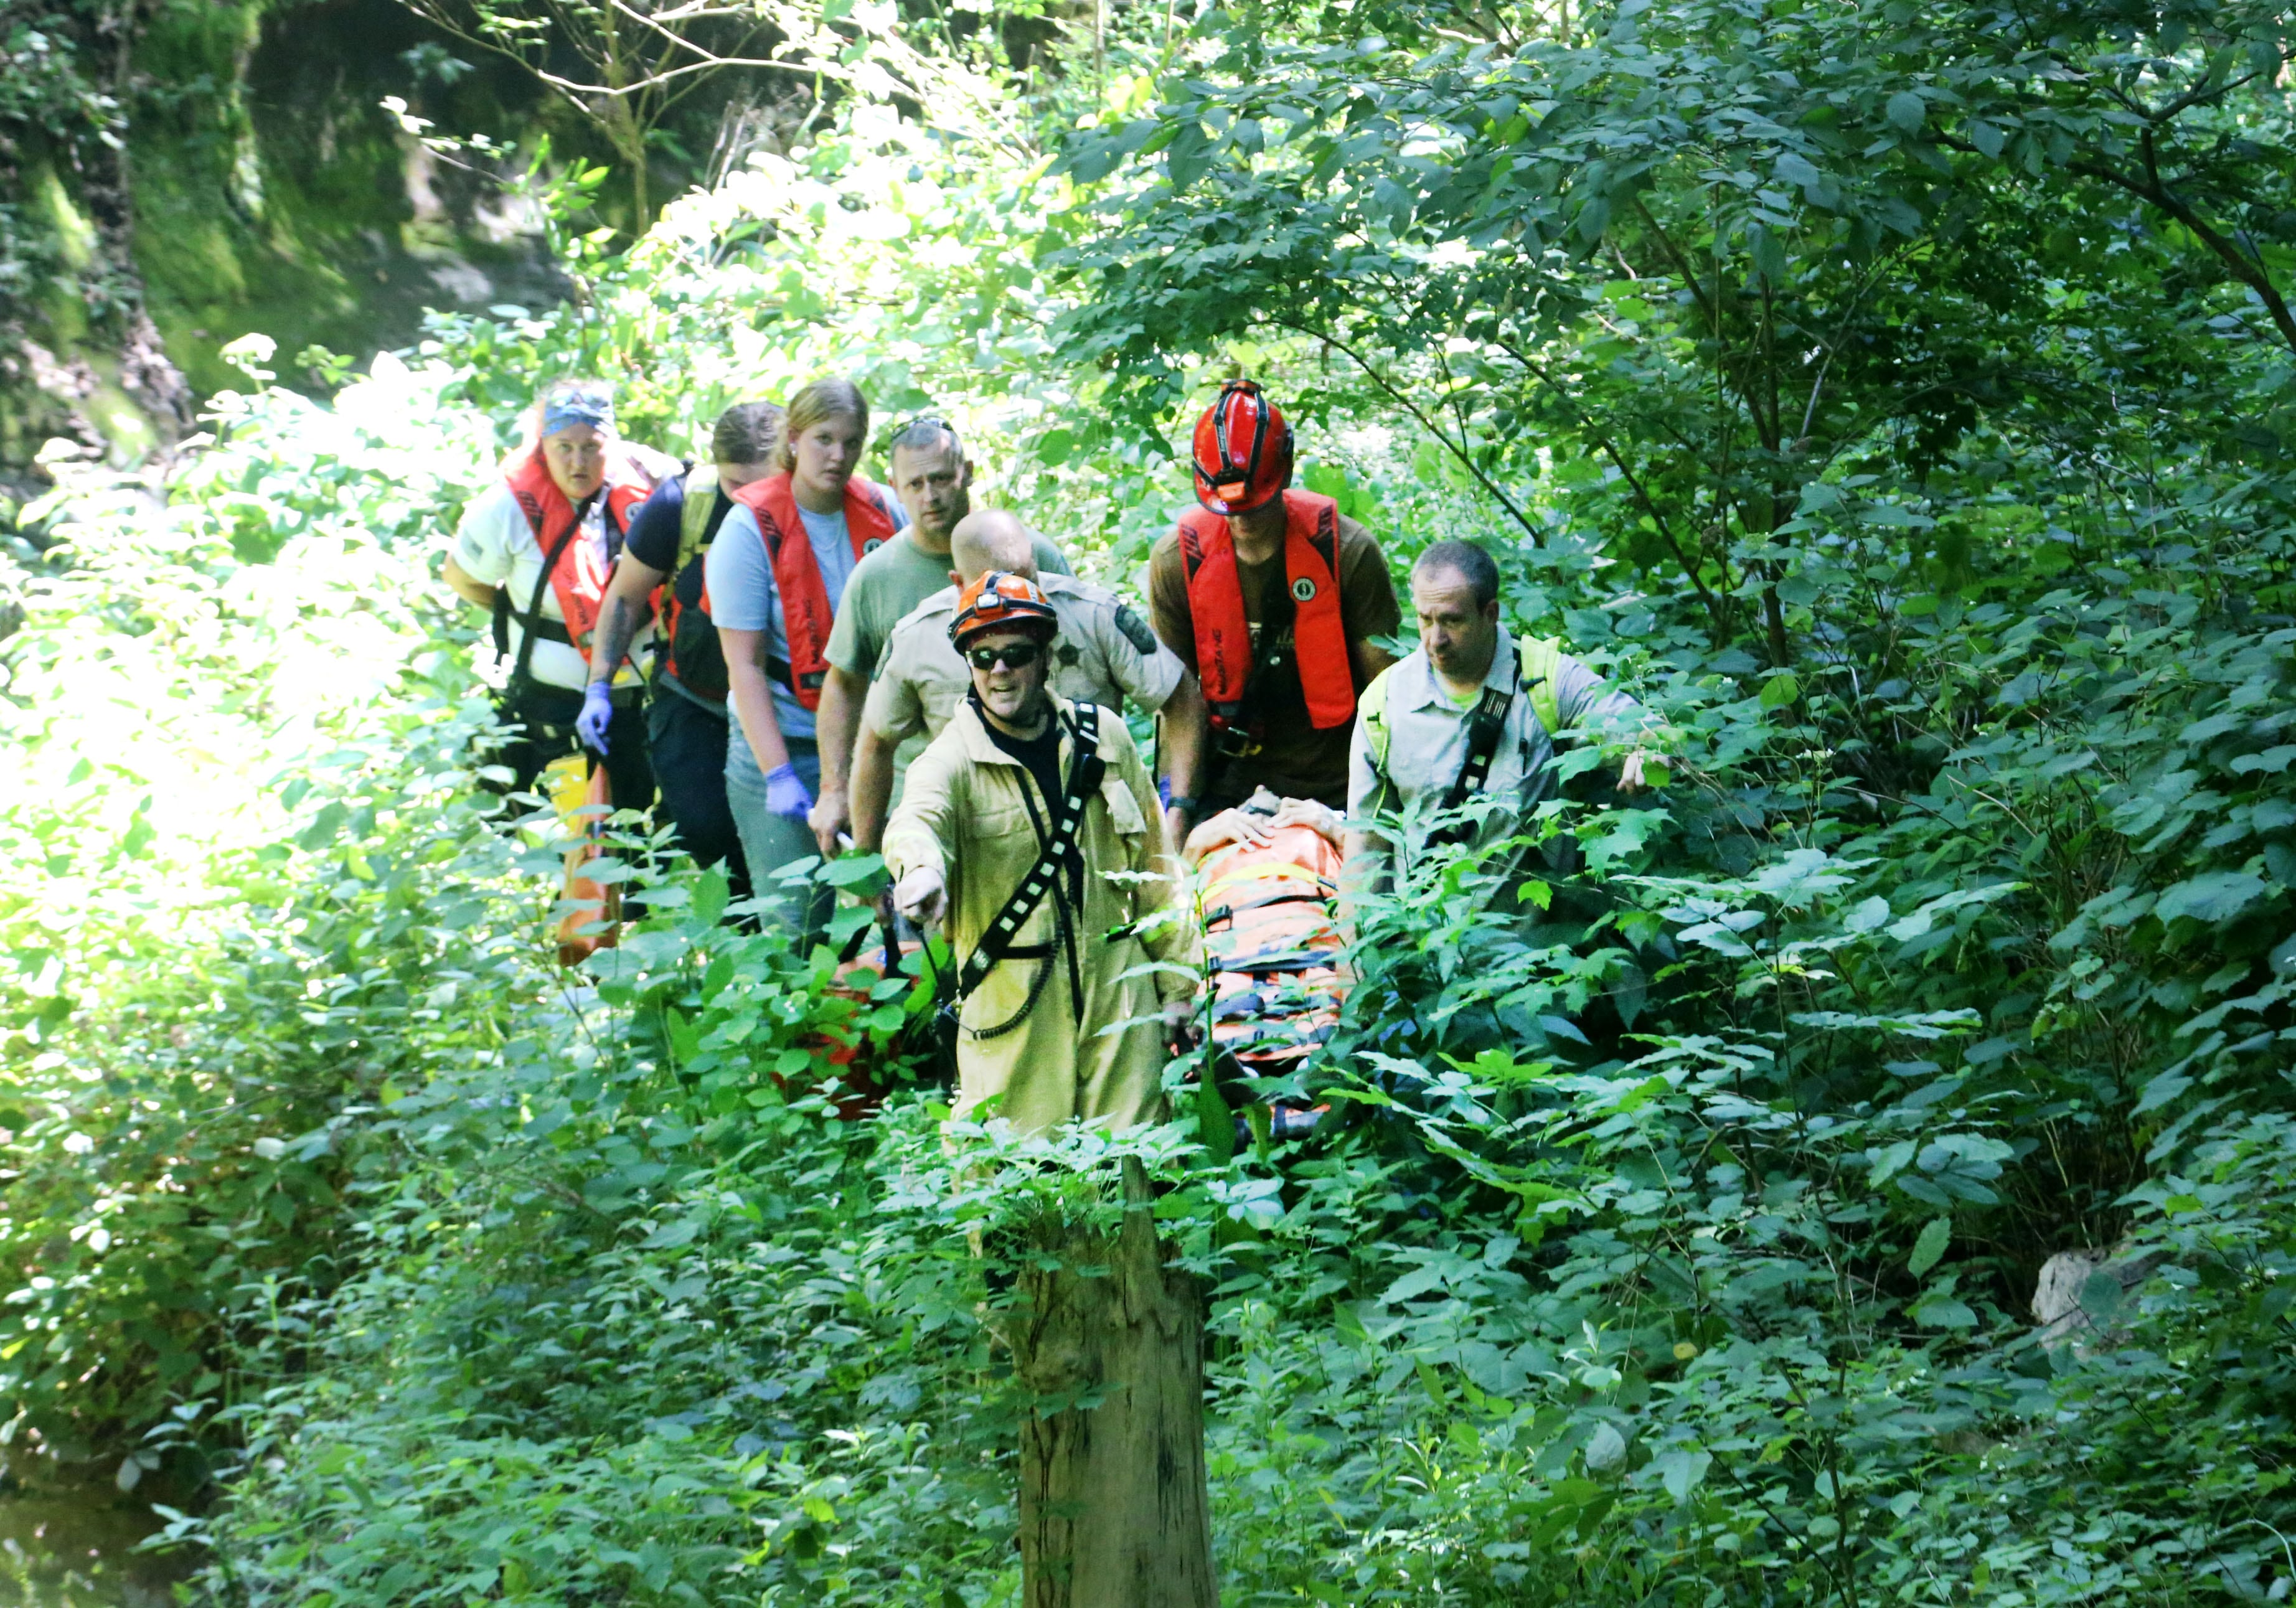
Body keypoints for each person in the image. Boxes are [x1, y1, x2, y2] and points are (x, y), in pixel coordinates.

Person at [885, 571, 1196, 1135]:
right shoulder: (949, 761)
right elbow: (917, 819)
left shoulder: (1104, 736)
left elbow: (1156, 867)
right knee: (1016, 1187)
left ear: (1046, 655)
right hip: (1010, 1011)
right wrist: (921, 870)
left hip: (1119, 995)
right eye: (982, 657)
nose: (998, 670)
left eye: (1015, 653)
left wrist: (1179, 983)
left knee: (1131, 1175)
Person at [849, 509, 1206, 855]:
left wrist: (1177, 809)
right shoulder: (917, 640)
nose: (1021, 598)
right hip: (984, 850)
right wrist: (869, 872)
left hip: (1097, 837)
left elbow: (1181, 698)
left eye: (1027, 579)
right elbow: (876, 743)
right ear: (959, 583)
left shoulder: (1092, 615)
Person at [1149, 379, 1402, 844]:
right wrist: (1178, 819)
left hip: (1336, 789)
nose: (1242, 518)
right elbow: (1179, 702)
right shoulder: (1177, 563)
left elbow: (1387, 698)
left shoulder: (1347, 553)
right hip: (1226, 794)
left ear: (1283, 473)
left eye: (1256, 503)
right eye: (1228, 507)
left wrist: (1379, 816)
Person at [807, 416, 1073, 853]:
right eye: (914, 485)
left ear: (967, 472)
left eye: (941, 478)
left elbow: (1075, 652)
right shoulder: (876, 577)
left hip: (1043, 785)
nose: (929, 496)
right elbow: (843, 686)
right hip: (925, 804)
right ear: (894, 486)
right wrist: (834, 787)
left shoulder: (1028, 553)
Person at [703, 378, 908, 924]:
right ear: (793, 439)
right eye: (823, 439)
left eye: (851, 441)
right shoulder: (747, 530)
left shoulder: (887, 511)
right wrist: (777, 774)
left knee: (903, 905)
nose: (838, 456)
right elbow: (742, 666)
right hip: (784, 740)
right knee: (796, 922)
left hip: (876, 740)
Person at [1343, 538, 1655, 891]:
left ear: (1490, 613)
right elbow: (1366, 844)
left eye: (1452, 620)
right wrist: (1355, 940)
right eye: (1425, 620)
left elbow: (1640, 729)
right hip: (1426, 936)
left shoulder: (1546, 680)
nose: (1435, 639)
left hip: (1536, 941)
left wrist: (1647, 750)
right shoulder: (1384, 703)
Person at [578, 400, 782, 897]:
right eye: (737, 486)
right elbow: (624, 598)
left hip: (785, 705)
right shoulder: (679, 506)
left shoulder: (814, 504)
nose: (749, 498)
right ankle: (747, 933)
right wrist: (598, 687)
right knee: (705, 827)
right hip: (693, 701)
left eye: (762, 484)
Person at [443, 378, 677, 811]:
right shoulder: (506, 507)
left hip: (649, 701)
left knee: (649, 841)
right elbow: (459, 576)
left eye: (591, 447)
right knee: (575, 845)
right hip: (556, 708)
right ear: (542, 446)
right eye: (563, 448)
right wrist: (515, 616)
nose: (577, 463)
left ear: (612, 441)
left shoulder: (653, 481)